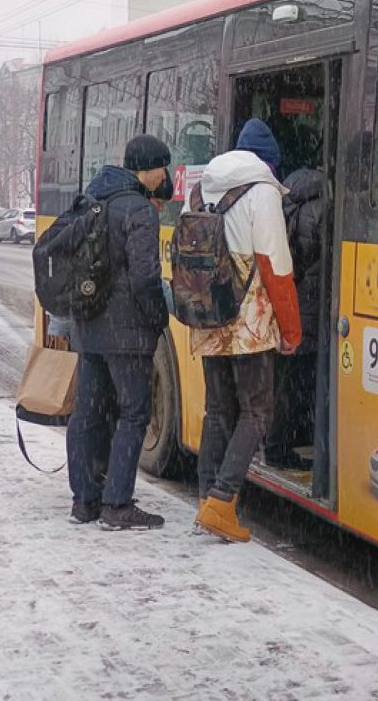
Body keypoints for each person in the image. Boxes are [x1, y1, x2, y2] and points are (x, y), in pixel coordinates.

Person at [192, 119, 302, 541]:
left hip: (208, 312)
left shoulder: (201, 188)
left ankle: (207, 499)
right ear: (268, 163)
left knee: (218, 410)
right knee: (257, 412)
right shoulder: (263, 192)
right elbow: (275, 266)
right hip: (247, 320)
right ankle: (222, 501)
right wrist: (291, 331)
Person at [66, 134, 171, 531]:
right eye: (163, 166)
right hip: (127, 332)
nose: (165, 174)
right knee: (134, 412)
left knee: (88, 413)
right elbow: (145, 279)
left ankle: (84, 500)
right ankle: (117, 505)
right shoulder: (139, 210)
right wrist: (158, 317)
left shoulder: (93, 198)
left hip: (89, 324)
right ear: (148, 168)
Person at [264, 161, 325, 470]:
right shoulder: (323, 205)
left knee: (283, 380)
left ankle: (273, 442)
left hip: (287, 302)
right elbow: (316, 257)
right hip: (311, 306)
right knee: (296, 384)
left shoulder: (285, 197)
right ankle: (280, 448)